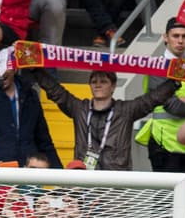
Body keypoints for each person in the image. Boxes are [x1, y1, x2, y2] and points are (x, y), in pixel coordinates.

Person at [35, 68, 176, 171]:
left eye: (103, 81)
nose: (98, 85)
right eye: (94, 81)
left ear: (113, 86)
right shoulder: (80, 108)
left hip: (115, 180)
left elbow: (151, 100)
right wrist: (35, 70)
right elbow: (56, 92)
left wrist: (174, 82)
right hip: (85, 177)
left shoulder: (125, 110)